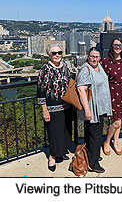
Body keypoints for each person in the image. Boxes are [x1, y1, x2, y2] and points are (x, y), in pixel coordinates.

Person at [76, 47, 112, 173]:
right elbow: (81, 90)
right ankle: (93, 164)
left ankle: (92, 155)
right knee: (95, 137)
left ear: (100, 57)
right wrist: (87, 110)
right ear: (88, 56)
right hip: (92, 110)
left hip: (100, 109)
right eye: (92, 56)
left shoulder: (99, 67)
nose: (94, 59)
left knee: (92, 135)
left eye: (96, 56)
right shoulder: (86, 70)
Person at [37, 43, 72, 172]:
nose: (57, 55)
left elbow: (70, 82)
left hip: (66, 106)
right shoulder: (44, 70)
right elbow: (41, 91)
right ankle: (52, 156)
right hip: (52, 108)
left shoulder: (65, 67)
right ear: (48, 55)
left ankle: (60, 153)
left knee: (63, 132)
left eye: (59, 52)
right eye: (54, 53)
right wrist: (44, 110)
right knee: (53, 133)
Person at [100, 37, 122, 156]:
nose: (117, 47)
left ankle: (115, 143)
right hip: (111, 92)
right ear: (111, 47)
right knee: (116, 122)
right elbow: (99, 77)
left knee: (119, 121)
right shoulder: (105, 62)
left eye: (120, 45)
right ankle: (107, 142)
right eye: (115, 45)